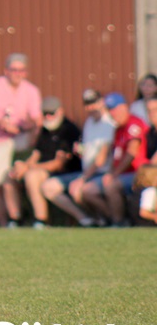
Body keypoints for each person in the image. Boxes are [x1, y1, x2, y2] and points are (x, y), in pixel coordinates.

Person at [0, 53, 43, 227]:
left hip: (22, 140)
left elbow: (37, 119)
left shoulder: (31, 91)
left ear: (26, 72)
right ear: (6, 71)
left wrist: (27, 126)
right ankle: (5, 224)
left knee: (20, 178)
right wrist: (0, 123)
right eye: (14, 70)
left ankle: (31, 218)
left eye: (21, 70)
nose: (17, 74)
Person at [42, 89, 115, 227]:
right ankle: (86, 219)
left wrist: (82, 179)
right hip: (86, 172)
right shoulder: (89, 122)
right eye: (87, 104)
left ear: (102, 102)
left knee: (79, 191)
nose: (90, 107)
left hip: (100, 173)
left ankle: (113, 221)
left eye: (93, 103)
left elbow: (100, 160)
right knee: (49, 187)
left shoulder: (108, 123)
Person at [8, 96, 81, 228]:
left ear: (60, 111)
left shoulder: (68, 130)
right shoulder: (44, 130)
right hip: (41, 169)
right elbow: (36, 154)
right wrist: (23, 166)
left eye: (51, 113)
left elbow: (58, 164)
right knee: (10, 177)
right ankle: (15, 219)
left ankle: (41, 219)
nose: (48, 117)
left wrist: (30, 168)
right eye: (45, 114)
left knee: (32, 176)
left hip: (64, 173)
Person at [79, 92, 148, 227]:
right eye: (109, 110)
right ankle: (113, 219)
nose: (112, 113)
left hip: (137, 173)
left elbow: (131, 153)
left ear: (124, 107)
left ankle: (119, 222)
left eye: (114, 109)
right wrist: (110, 173)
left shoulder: (133, 123)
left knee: (111, 186)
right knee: (87, 191)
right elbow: (115, 156)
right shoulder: (117, 129)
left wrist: (114, 174)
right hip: (121, 173)